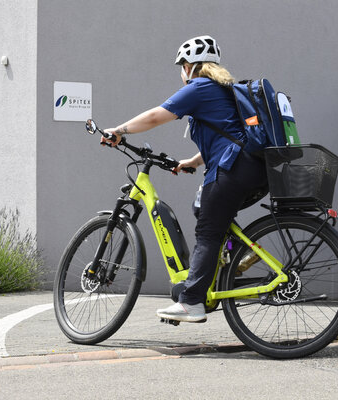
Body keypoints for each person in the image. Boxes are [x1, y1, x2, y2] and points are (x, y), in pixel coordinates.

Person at [101, 35, 267, 323]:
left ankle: (191, 302)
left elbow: (156, 116)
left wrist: (119, 130)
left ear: (189, 67)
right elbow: (229, 134)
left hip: (232, 168)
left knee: (208, 232)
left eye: (181, 67)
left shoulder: (199, 87)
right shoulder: (226, 90)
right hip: (255, 168)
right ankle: (240, 255)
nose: (181, 72)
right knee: (204, 209)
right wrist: (194, 161)